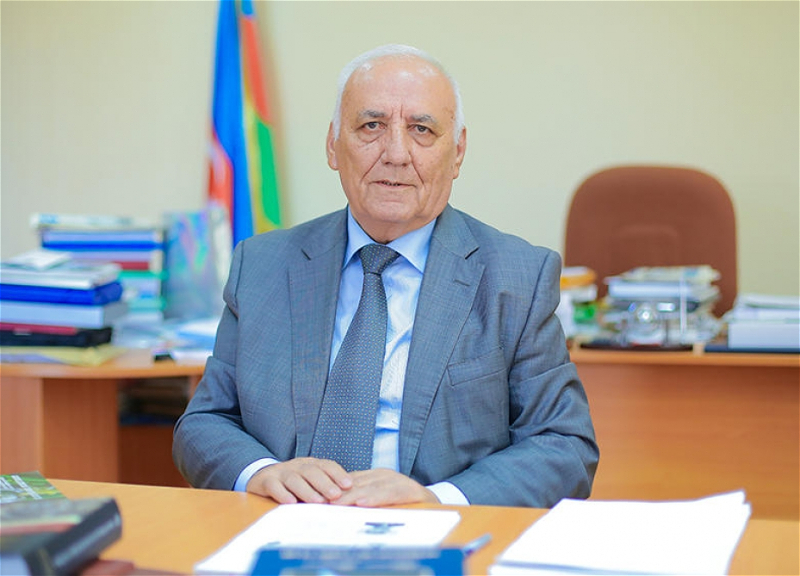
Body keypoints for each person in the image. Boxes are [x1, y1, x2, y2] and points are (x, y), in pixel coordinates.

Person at [173, 44, 598, 508]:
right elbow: (204, 422)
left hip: (438, 532)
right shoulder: (262, 265)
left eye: (421, 130)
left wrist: (438, 500)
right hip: (285, 523)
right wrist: (262, 472)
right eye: (371, 126)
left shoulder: (516, 278)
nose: (395, 153)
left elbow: (565, 447)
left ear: (457, 152)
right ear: (333, 145)